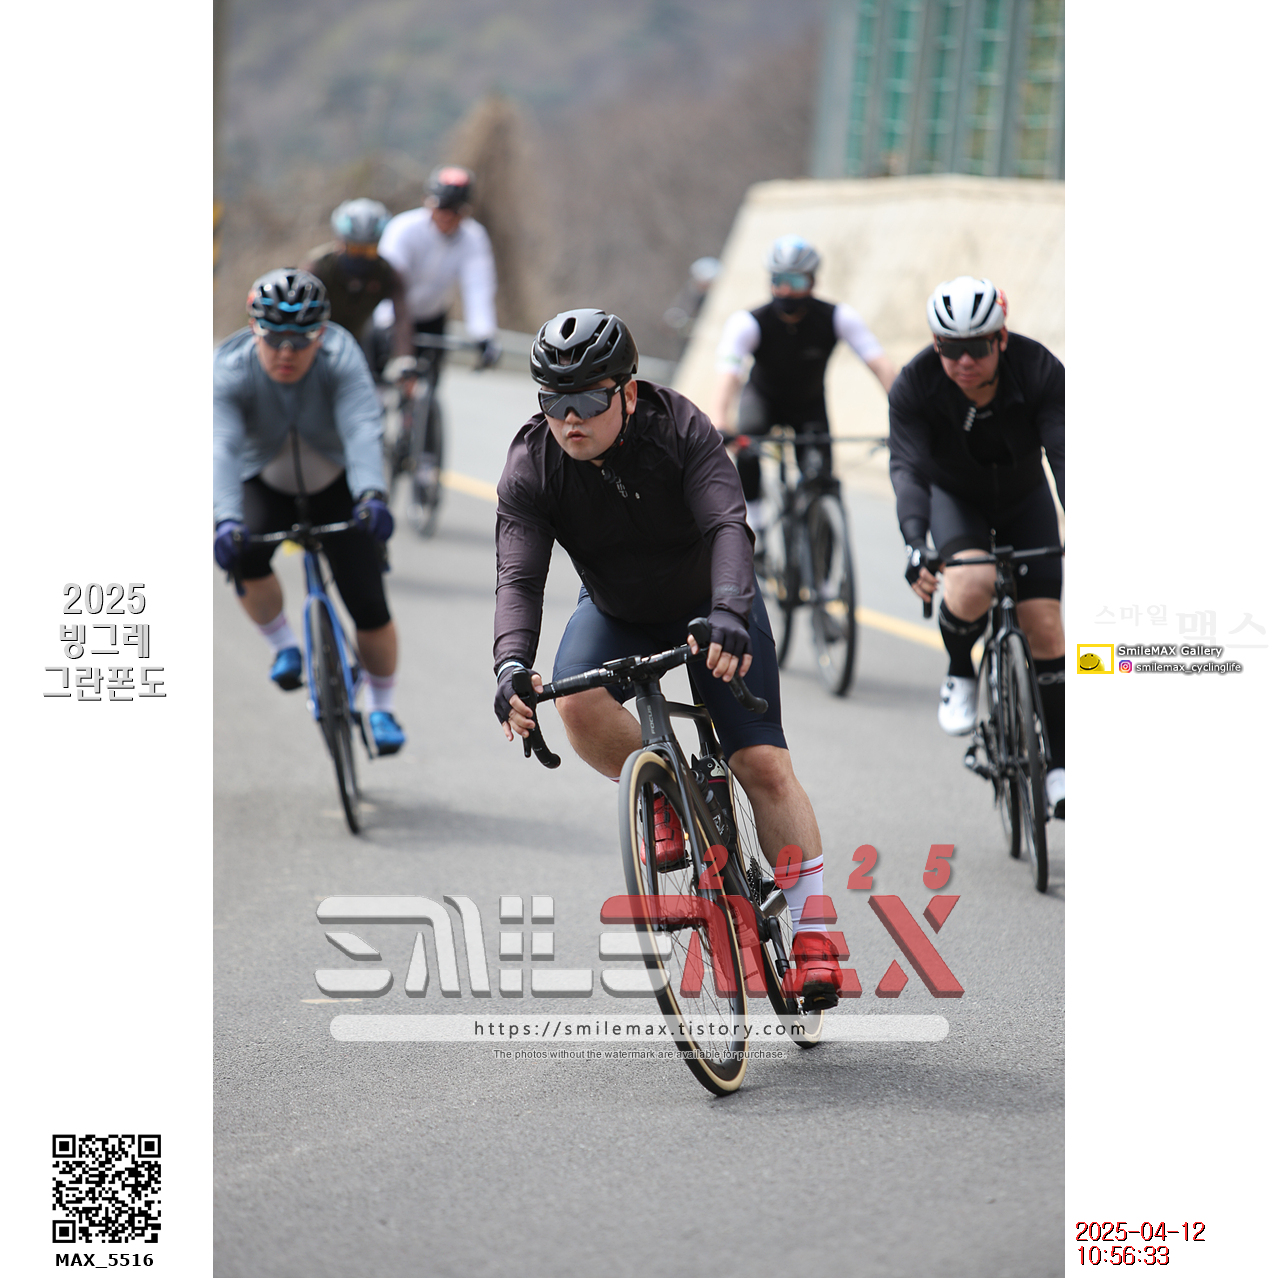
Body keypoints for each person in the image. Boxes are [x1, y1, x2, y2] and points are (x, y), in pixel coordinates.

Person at [492, 309, 843, 1006]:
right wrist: (509, 667)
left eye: (587, 399)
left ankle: (814, 934)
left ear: (627, 390)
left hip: (714, 604)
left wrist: (730, 614)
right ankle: (667, 794)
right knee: (575, 698)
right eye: (554, 401)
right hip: (618, 611)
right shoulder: (532, 463)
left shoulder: (680, 428)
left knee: (760, 764)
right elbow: (519, 579)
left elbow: (727, 526)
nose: (570, 419)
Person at [888, 276, 1065, 816]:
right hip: (955, 498)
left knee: (1045, 626)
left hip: (1024, 496)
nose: (964, 361)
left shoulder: (1039, 370)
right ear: (935, 345)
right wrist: (915, 541)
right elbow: (908, 469)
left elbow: (1065, 454)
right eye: (950, 348)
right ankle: (960, 669)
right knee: (971, 583)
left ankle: (1060, 766)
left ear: (1001, 339)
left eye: (978, 347)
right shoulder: (916, 384)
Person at [213, 268, 406, 756]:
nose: (287, 351)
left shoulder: (342, 356)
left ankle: (382, 707)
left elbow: (362, 428)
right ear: (254, 329)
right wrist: (225, 518)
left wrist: (372, 495)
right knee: (242, 554)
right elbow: (223, 448)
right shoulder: (231, 368)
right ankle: (284, 646)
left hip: (336, 482)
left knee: (368, 602)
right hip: (265, 480)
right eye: (274, 338)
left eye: (301, 340)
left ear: (321, 335)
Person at [708, 234, 897, 529]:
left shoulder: (838, 317)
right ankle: (754, 525)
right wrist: (720, 421)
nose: (786, 289)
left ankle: (818, 532)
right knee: (748, 446)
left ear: (812, 281)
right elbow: (729, 374)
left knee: (820, 478)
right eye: (778, 280)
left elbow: (880, 365)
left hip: (809, 405)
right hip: (763, 400)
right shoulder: (748, 322)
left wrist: (904, 413)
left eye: (795, 281)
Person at [373, 166, 501, 372]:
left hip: (432, 316)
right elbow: (389, 280)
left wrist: (484, 334)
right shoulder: (404, 228)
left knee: (430, 377)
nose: (446, 216)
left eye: (455, 210)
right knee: (377, 374)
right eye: (441, 207)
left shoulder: (474, 238)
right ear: (427, 201)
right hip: (394, 314)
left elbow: (478, 288)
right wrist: (385, 321)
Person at [303, 198, 414, 373]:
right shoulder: (317, 268)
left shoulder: (387, 273)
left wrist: (405, 359)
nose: (361, 257)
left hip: (358, 342)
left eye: (369, 251)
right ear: (340, 242)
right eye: (354, 249)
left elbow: (401, 317)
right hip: (316, 340)